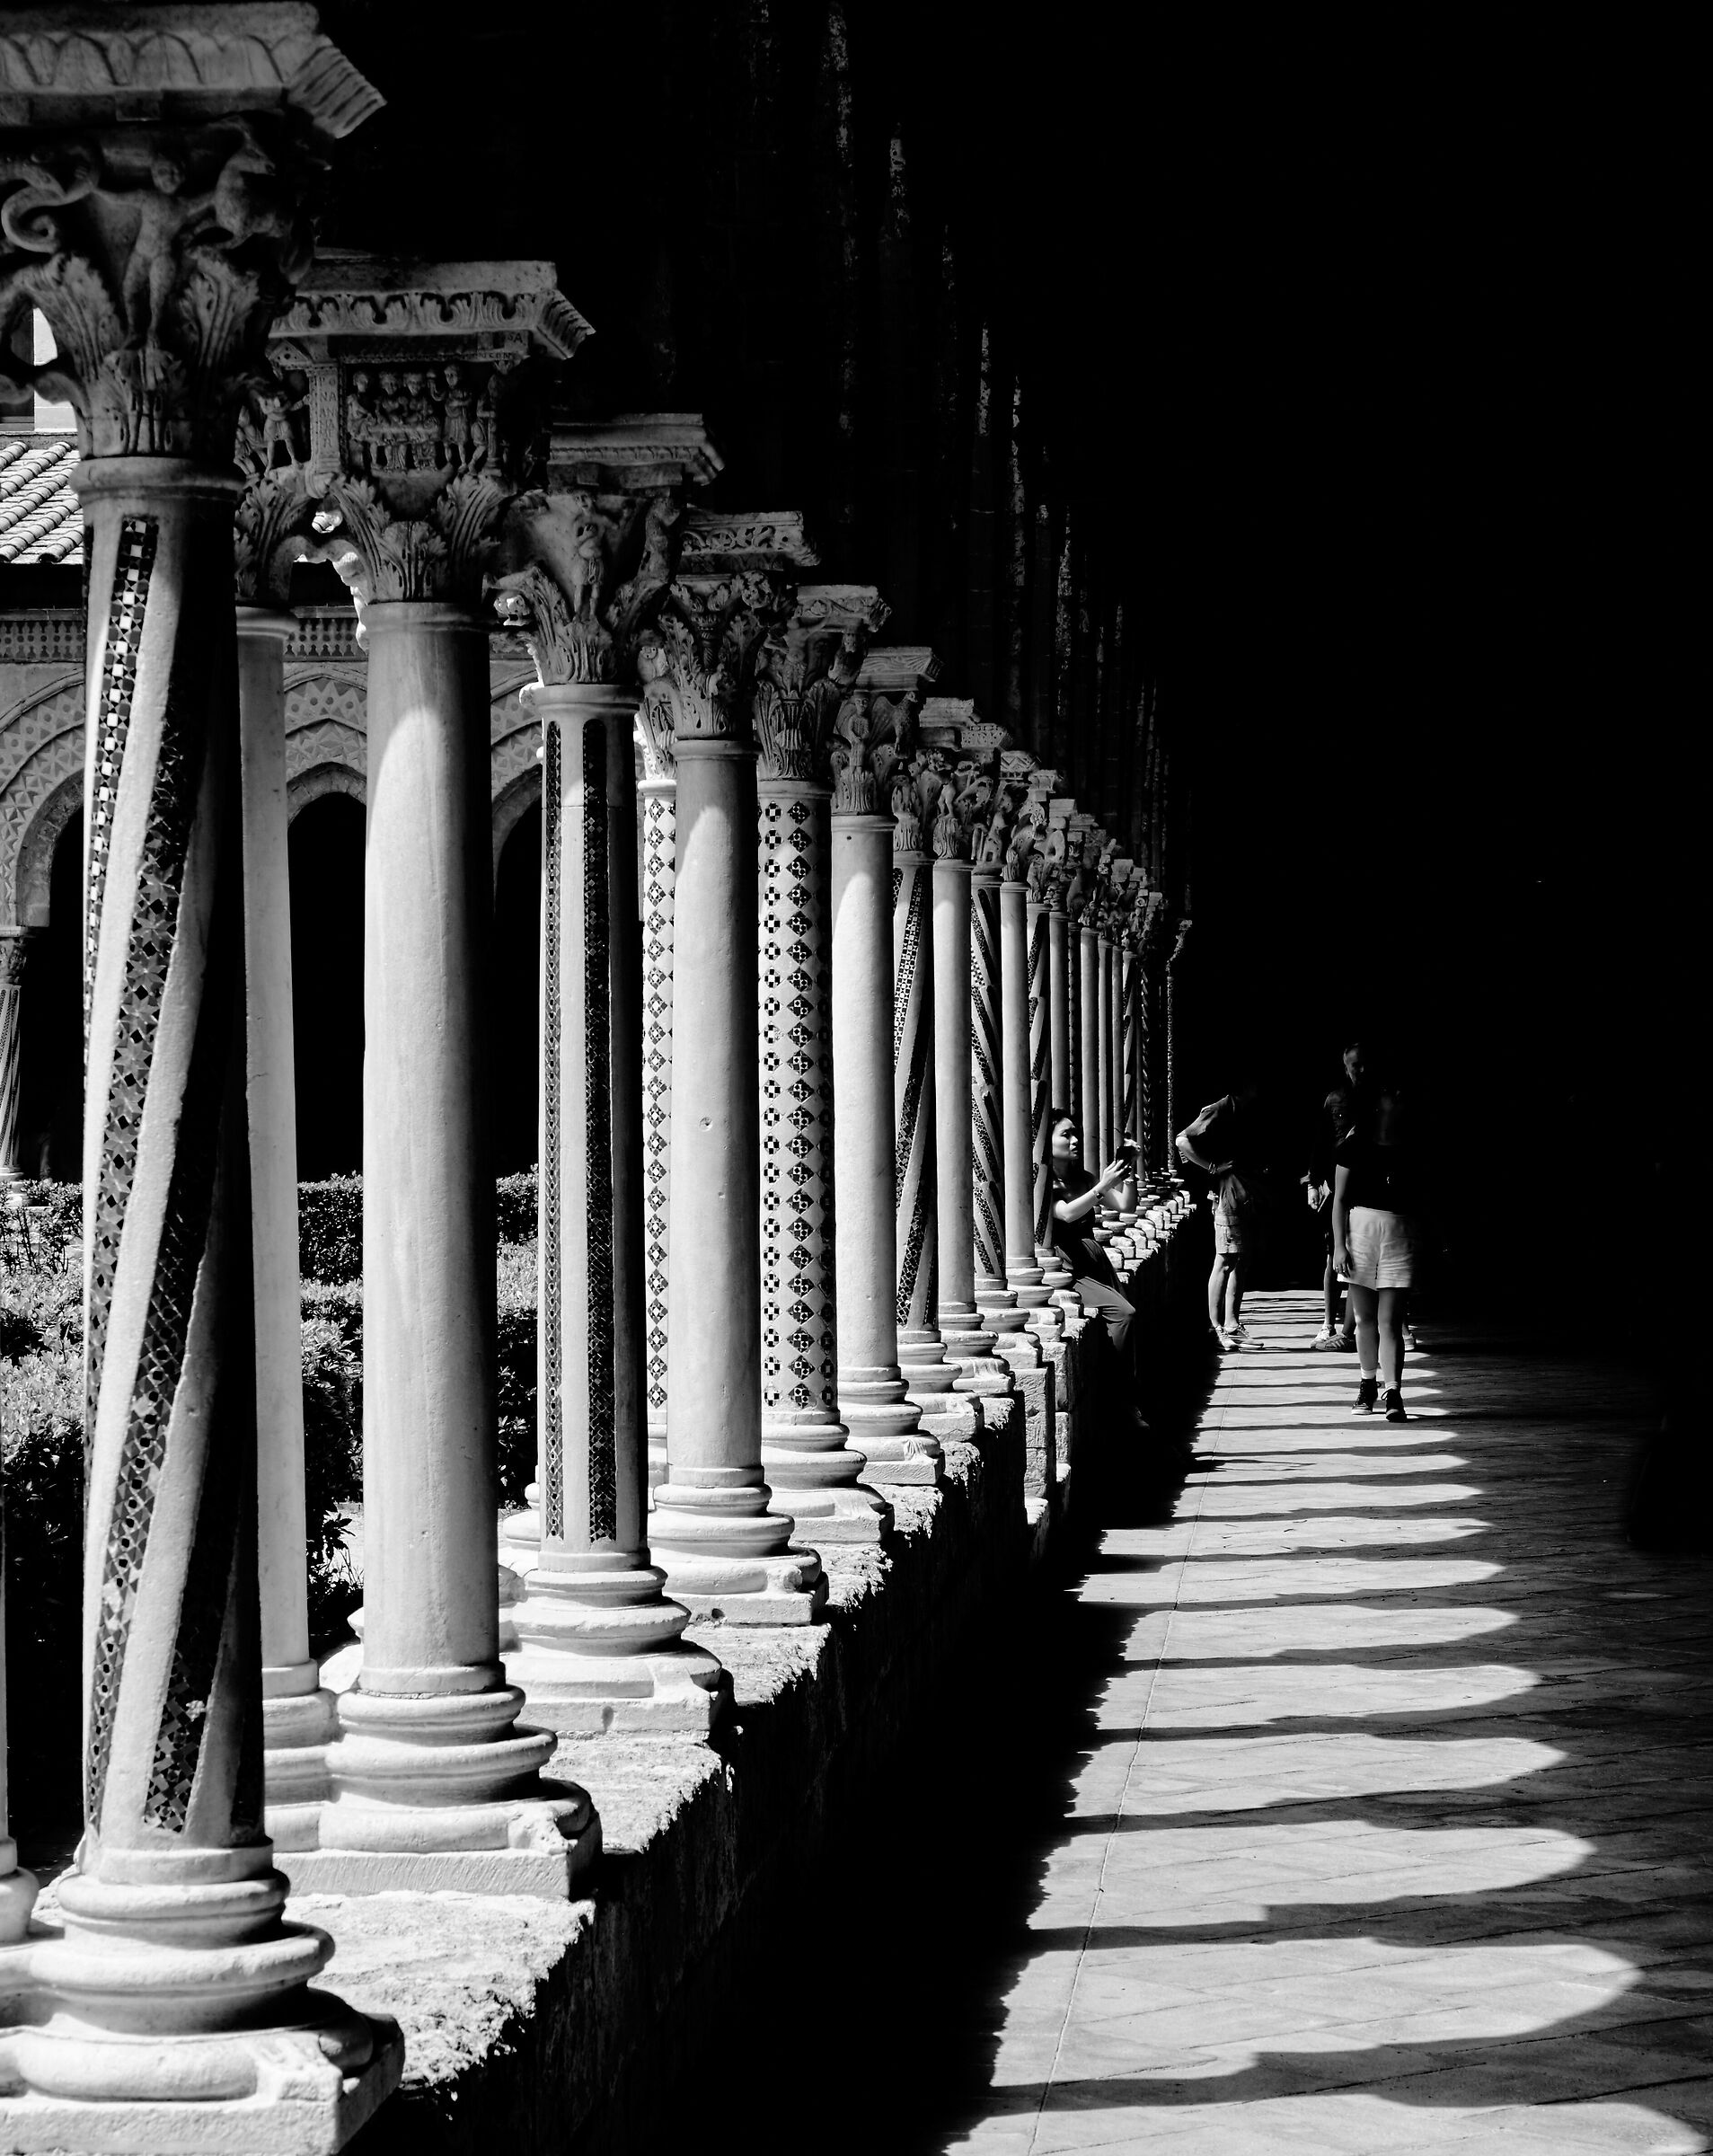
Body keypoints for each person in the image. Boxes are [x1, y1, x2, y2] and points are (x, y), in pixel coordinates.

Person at [1330, 1080, 1423, 1421]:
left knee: (1391, 1320)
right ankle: (1367, 1384)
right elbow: (1339, 1201)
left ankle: (1394, 1391)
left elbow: (1425, 1201)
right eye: (1390, 1093)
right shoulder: (1354, 1146)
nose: (1397, 1098)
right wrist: (1340, 1246)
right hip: (1361, 1229)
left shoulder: (1413, 1146)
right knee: (1364, 1318)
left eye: (1399, 1094)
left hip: (1400, 1231)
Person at [1047, 1109, 1143, 1418]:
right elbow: (1065, 1214)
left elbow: (1124, 1205)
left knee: (1123, 1317)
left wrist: (1128, 1175)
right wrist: (1101, 1187)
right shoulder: (1041, 1181)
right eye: (1066, 1134)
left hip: (1094, 1260)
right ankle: (1121, 1397)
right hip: (1066, 1266)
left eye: (1076, 1133)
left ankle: (1127, 1396)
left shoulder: (1083, 1177)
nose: (1075, 1140)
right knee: (1124, 1314)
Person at [1177, 1077, 1266, 1350]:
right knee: (1225, 1258)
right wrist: (1212, 1167)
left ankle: (1232, 1324)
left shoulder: (1242, 1109)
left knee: (1241, 1258)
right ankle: (1216, 1328)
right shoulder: (1219, 1108)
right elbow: (1182, 1140)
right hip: (1227, 1195)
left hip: (1244, 1194)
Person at [1303, 1038, 1369, 1349]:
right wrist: (1313, 1184)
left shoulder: (1376, 1099)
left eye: (1364, 1063)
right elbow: (1319, 1143)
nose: (1361, 1070)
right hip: (1337, 1185)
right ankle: (1329, 1322)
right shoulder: (1335, 1099)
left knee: (1368, 1256)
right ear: (1345, 1067)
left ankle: (1365, 1326)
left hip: (1369, 1187)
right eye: (1355, 1065)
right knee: (1334, 1255)